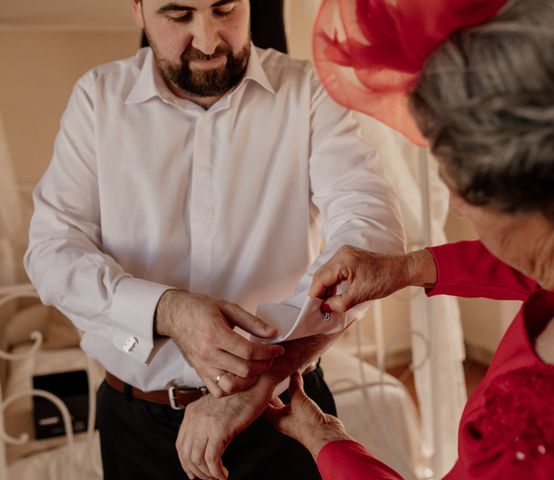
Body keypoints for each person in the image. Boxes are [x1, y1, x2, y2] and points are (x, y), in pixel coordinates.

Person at [23, 1, 405, 479]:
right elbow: (51, 252)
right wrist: (167, 311)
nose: (208, 41)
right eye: (179, 16)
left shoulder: (308, 90)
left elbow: (373, 234)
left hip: (285, 413)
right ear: (138, 10)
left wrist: (265, 372)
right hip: (136, 427)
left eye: (225, 9)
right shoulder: (97, 99)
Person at [263, 0, 554, 478]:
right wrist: (404, 268)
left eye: (473, 194)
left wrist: (326, 440)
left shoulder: (539, 434)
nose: (458, 208)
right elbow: (537, 269)